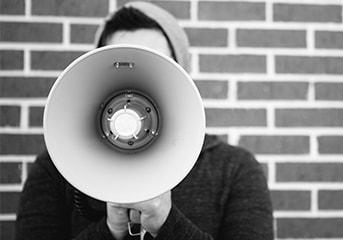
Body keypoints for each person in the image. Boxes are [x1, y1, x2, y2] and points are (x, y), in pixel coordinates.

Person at [15, 2, 273, 239]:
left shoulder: (234, 169)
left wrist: (166, 222)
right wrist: (111, 229)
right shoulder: (58, 167)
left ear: (181, 74)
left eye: (154, 62)